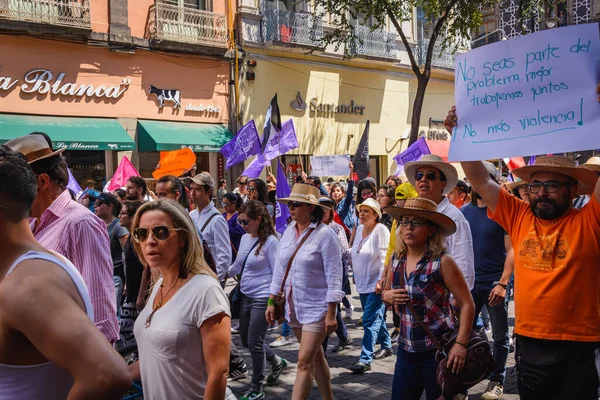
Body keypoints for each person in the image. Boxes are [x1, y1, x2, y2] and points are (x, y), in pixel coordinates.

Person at [445, 104, 600, 399]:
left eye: (552, 184)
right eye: (536, 184)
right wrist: (459, 135)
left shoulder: (591, 220)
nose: (541, 192)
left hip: (581, 343)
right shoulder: (518, 215)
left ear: (572, 189)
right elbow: (481, 180)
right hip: (530, 342)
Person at [0, 146, 131, 399]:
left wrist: (91, 355)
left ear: (42, 181)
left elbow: (105, 369)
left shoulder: (79, 223)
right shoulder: (35, 229)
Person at [5, 134, 118, 343]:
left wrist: (89, 367)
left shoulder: (80, 223)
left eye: (10, 187)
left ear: (42, 181)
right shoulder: (31, 223)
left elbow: (101, 313)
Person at [128, 199, 232, 399]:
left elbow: (218, 373)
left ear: (183, 238)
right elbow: (157, 355)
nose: (149, 241)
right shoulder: (159, 284)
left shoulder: (205, 290)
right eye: (142, 233)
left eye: (160, 232)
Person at [383, 198, 475, 399]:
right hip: (406, 351)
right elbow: (386, 291)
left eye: (416, 223)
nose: (408, 227)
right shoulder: (396, 260)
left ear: (431, 229)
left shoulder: (442, 262)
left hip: (437, 351)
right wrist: (387, 295)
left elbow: (467, 303)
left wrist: (461, 344)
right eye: (405, 222)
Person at [266, 184, 343, 400]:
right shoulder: (288, 232)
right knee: (316, 357)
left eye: (296, 204)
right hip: (293, 306)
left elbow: (334, 277)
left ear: (311, 208)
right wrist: (271, 301)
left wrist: (331, 312)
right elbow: (280, 269)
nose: (291, 208)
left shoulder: (326, 236)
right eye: (290, 203)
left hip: (317, 307)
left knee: (303, 361)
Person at [188, 173, 248, 381]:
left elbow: (224, 255)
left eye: (197, 190)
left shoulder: (216, 220)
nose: (192, 194)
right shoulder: (192, 216)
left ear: (209, 192)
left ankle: (235, 363)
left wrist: (215, 279)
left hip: (209, 280)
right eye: (191, 189)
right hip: (192, 278)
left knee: (211, 323)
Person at [460, 162, 513, 400]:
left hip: (494, 284)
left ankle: (497, 380)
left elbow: (512, 250)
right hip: (469, 285)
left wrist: (502, 283)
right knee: (464, 334)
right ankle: (463, 381)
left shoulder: (502, 211)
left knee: (500, 337)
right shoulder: (463, 212)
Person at [228, 201, 288, 400]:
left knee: (254, 342)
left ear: (258, 220)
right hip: (245, 295)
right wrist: (217, 275)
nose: (242, 226)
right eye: (240, 222)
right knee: (246, 340)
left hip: (263, 297)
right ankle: (276, 361)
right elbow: (237, 265)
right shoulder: (245, 238)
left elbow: (278, 273)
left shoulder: (271, 242)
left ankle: (256, 387)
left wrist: (272, 301)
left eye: (246, 222)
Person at [404, 154, 475, 290]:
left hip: (441, 302)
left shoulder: (454, 217)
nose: (423, 179)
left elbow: (463, 264)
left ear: (443, 184)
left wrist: (456, 303)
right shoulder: (410, 214)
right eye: (419, 175)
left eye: (430, 175)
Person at [349, 198, 393, 374]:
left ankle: (365, 358)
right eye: (361, 210)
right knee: (376, 318)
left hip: (376, 283)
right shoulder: (359, 229)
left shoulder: (380, 230)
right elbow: (356, 252)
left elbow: (386, 257)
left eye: (367, 211)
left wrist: (382, 281)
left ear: (376, 215)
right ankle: (387, 345)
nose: (362, 213)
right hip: (361, 282)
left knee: (369, 320)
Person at [380, 182, 419, 340]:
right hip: (398, 269)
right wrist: (385, 275)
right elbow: (391, 248)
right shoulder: (396, 220)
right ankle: (400, 330)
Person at [319, 197, 352, 353]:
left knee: (331, 307)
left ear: (331, 211)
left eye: (326, 209)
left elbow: (345, 252)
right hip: (319, 275)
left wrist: (329, 252)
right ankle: (344, 337)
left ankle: (322, 350)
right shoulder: (313, 228)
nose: (323, 212)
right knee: (334, 309)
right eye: (320, 208)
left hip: (335, 273)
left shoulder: (337, 228)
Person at [91, 192, 129, 320]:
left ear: (110, 206)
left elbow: (127, 253)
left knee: (113, 311)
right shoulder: (96, 224)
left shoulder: (118, 226)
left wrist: (127, 282)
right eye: (94, 204)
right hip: (102, 276)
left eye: (98, 204)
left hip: (116, 276)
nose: (95, 207)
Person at [117, 200, 146, 356]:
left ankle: (139, 361)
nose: (120, 216)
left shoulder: (139, 239)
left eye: (123, 213)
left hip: (139, 295)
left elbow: (146, 267)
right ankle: (137, 360)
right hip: (131, 293)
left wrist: (141, 294)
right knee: (129, 330)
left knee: (129, 329)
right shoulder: (130, 237)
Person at [329, 162, 355, 232]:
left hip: (346, 233)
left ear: (343, 193)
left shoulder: (345, 203)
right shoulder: (330, 205)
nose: (335, 193)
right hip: (333, 233)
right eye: (333, 191)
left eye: (338, 190)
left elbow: (350, 190)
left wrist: (351, 170)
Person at [222, 192, 245, 263]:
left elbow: (240, 232)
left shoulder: (238, 216)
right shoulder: (223, 215)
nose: (224, 206)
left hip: (235, 247)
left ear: (234, 203)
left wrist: (225, 228)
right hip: (224, 247)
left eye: (226, 204)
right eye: (223, 203)